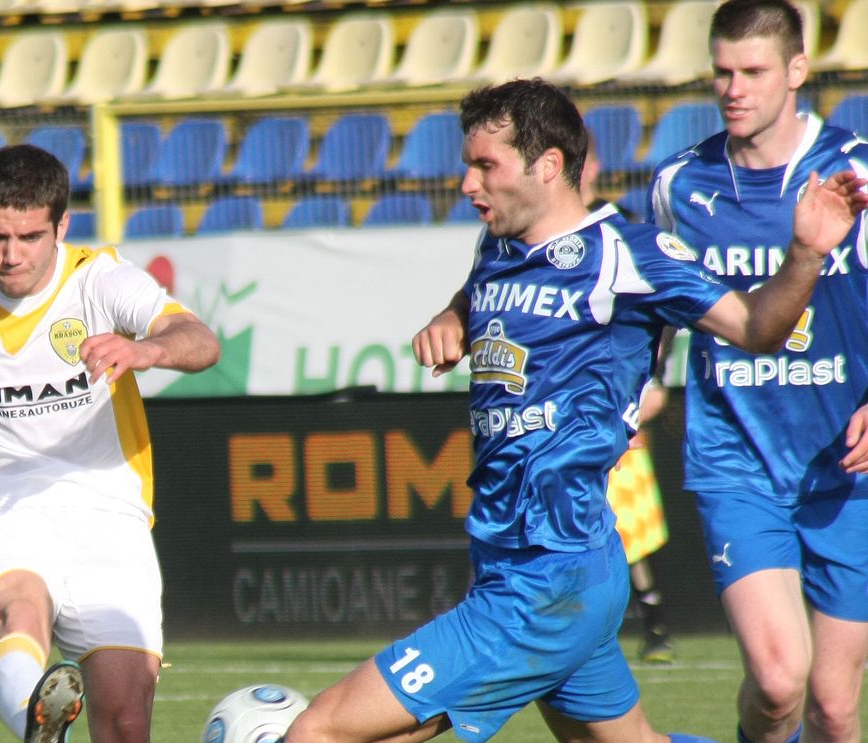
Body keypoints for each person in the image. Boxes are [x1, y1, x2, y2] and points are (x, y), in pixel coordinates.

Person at [282, 77, 867, 743]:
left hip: (546, 574)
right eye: (467, 165)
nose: (469, 185)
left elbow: (757, 326)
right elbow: (484, 291)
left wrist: (806, 254)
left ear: (548, 165)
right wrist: (453, 314)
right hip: (535, 564)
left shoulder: (629, 254)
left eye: (485, 166)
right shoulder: (498, 246)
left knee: (317, 732)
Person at [0, 144, 220, 743]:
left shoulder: (100, 280)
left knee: (125, 720)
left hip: (108, 509)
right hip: (2, 502)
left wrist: (147, 350)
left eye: (29, 237)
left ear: (61, 226)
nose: (10, 256)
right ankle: (38, 728)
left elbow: (199, 339)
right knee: (22, 612)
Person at [648, 1, 868, 741]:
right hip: (736, 456)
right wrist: (637, 389)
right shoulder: (680, 186)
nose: (733, 88)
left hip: (848, 464)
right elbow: (653, 301)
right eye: (721, 71)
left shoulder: (858, 172)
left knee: (834, 707)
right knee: (778, 685)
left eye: (753, 71)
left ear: (797, 71)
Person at [583, 134, 676, 665]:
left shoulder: (621, 227)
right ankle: (597, 626)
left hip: (618, 404)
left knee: (630, 525)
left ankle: (656, 622)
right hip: (573, 408)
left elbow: (660, 316)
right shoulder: (541, 236)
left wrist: (648, 380)